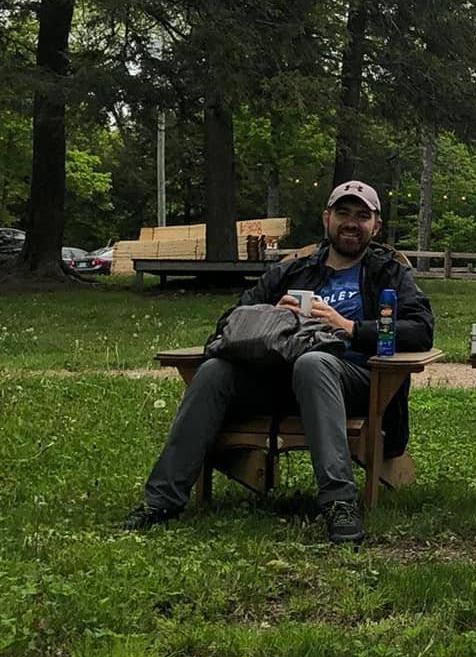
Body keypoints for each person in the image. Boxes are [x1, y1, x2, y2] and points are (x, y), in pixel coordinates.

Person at [123, 182, 434, 546]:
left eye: (362, 216)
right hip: (279, 379)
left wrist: (348, 327)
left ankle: (338, 503)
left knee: (314, 363)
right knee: (213, 371)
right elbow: (232, 318)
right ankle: (161, 502)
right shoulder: (293, 271)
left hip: (353, 382)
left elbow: (421, 331)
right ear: (326, 219)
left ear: (375, 227)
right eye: (343, 214)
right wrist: (270, 315)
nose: (352, 223)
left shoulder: (387, 273)